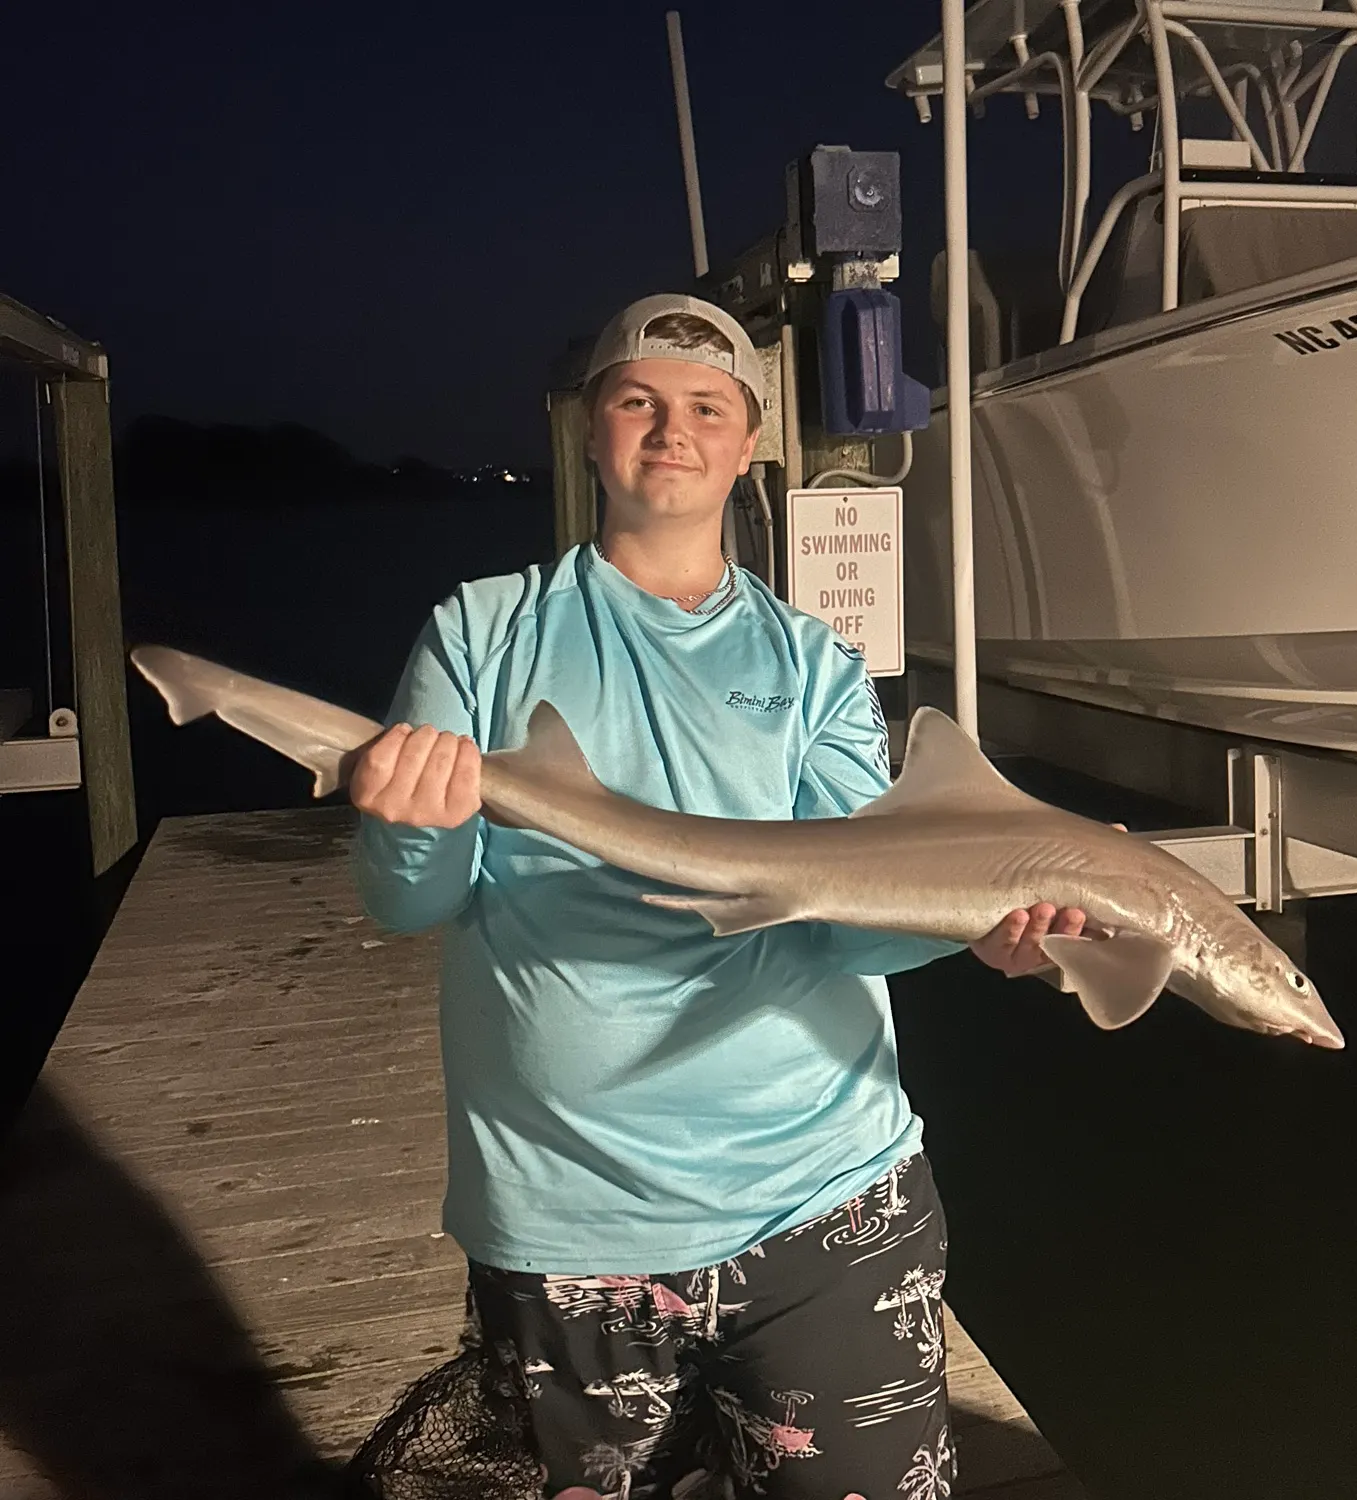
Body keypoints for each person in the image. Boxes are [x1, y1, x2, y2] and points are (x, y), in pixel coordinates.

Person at [349, 292, 1087, 1500]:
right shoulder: (482, 632)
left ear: (749, 447)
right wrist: (407, 825)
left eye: (706, 408)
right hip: (567, 1215)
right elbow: (412, 904)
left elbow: (857, 917)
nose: (669, 428)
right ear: (590, 432)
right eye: (637, 401)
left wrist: (980, 935)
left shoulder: (815, 665)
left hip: (828, 1207)